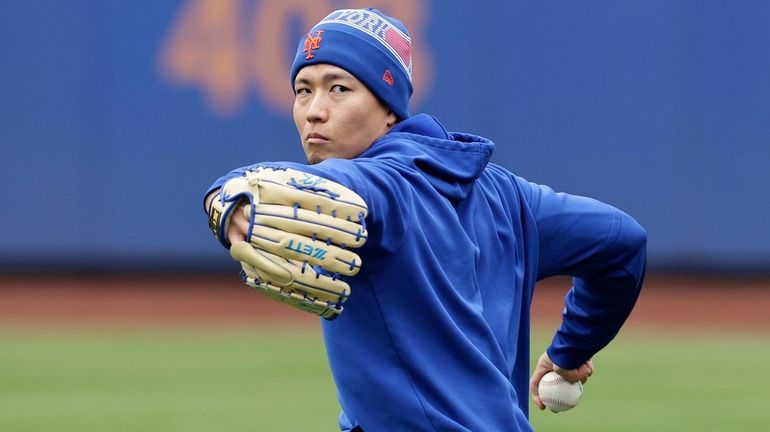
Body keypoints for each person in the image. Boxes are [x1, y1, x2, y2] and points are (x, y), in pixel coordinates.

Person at [204, 8, 646, 432]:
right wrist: (570, 351)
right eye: (303, 90)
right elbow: (621, 243)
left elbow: (322, 186)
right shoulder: (507, 196)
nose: (315, 110)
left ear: (389, 106)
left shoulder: (376, 186)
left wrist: (232, 195)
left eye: (339, 88)